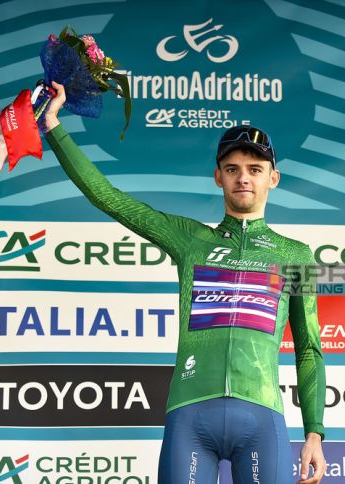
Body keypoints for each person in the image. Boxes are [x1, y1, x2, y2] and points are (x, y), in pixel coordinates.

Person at [43, 82, 327, 483]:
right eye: (232, 169)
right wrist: (53, 126)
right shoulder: (190, 238)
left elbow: (309, 348)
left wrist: (314, 432)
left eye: (255, 170)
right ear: (218, 177)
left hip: (262, 416)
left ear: (273, 178)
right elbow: (110, 197)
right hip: (191, 414)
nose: (243, 178)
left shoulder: (295, 255)